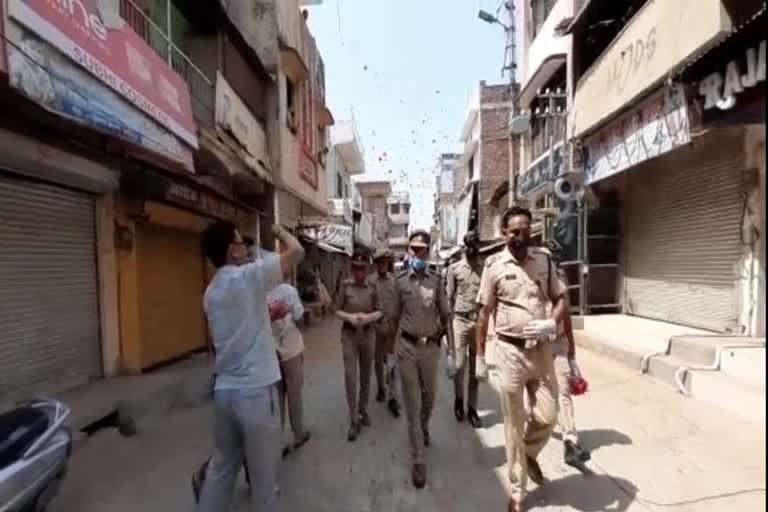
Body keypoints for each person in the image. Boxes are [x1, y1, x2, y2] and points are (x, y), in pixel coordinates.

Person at [193, 221, 304, 512]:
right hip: (255, 392)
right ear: (233, 252)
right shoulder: (248, 277)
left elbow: (241, 323)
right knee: (264, 479)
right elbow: (298, 251)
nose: (246, 247)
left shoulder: (210, 293)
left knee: (220, 471)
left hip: (225, 393)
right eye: (241, 242)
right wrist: (278, 230)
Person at [474, 206, 567, 512]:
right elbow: (483, 313)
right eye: (515, 231)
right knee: (513, 425)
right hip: (509, 352)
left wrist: (552, 322)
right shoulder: (494, 264)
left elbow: (561, 298)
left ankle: (526, 455)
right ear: (505, 233)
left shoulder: (544, 259)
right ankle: (518, 491)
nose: (521, 236)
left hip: (540, 352)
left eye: (525, 230)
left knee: (548, 415)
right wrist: (479, 357)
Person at [393, 230, 453, 489]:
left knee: (429, 396)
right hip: (406, 347)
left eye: (422, 250)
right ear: (408, 251)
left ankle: (423, 427)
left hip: (430, 349)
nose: (417, 254)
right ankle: (418, 457)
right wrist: (387, 356)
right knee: (412, 402)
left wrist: (452, 351)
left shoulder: (437, 281)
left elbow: (446, 316)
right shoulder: (400, 282)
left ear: (428, 252)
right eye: (413, 249)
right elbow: (394, 318)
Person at [541, 240, 591, 467]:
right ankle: (536, 428)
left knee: (564, 392)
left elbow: (567, 314)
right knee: (541, 395)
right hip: (538, 345)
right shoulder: (532, 279)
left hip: (559, 344)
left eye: (556, 258)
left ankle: (570, 442)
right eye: (551, 257)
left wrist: (571, 347)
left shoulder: (562, 279)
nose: (554, 263)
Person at [334, 252, 383, 441]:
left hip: (368, 334)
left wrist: (367, 317)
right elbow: (336, 310)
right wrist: (350, 318)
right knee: (350, 376)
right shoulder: (345, 286)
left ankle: (363, 408)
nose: (359, 272)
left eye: (362, 268)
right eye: (355, 268)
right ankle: (353, 417)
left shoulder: (373, 287)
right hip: (349, 335)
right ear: (352, 269)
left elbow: (381, 310)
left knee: (365, 374)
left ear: (367, 269)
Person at [268, 283, 312, 458]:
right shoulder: (288, 290)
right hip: (291, 350)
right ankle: (298, 433)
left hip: (271, 352)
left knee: (276, 398)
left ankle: (276, 443)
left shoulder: (258, 290)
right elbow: (300, 317)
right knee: (294, 394)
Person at [446, 231, 483, 428]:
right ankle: (459, 399)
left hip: (477, 321)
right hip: (460, 320)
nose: (472, 250)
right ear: (464, 246)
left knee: (475, 371)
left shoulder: (484, 268)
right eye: (469, 246)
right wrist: (449, 327)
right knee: (459, 366)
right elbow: (449, 299)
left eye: (475, 246)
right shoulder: (455, 269)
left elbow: (486, 299)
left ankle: (472, 408)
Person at [366, 248, 401, 417]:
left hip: (392, 327)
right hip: (375, 327)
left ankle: (393, 395)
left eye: (385, 262)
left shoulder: (394, 281)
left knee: (392, 362)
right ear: (376, 263)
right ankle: (381, 387)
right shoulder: (369, 281)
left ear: (388, 263)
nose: (382, 265)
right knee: (378, 361)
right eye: (379, 262)